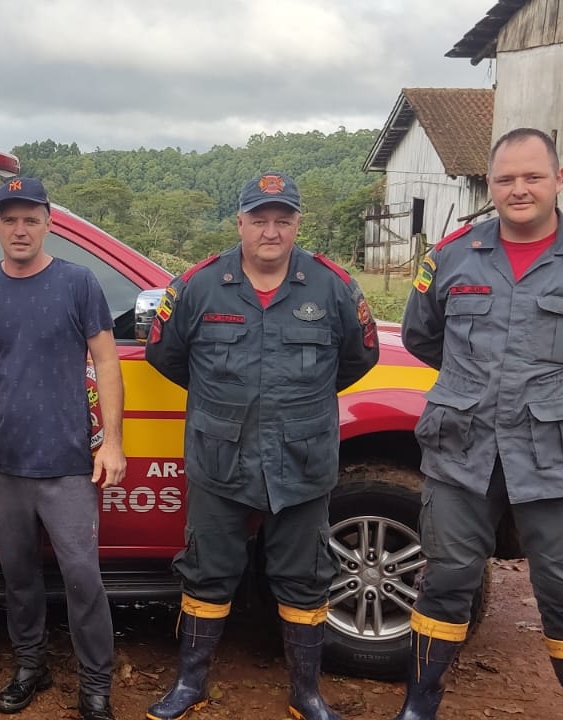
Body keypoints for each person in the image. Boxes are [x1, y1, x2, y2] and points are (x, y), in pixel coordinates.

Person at [393, 128, 563, 720]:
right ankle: (419, 705)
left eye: (533, 176)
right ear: (491, 184)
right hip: (463, 450)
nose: (519, 189)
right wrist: (478, 384)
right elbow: (423, 335)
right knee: (446, 582)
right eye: (506, 178)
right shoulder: (453, 255)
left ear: (558, 180)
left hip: (558, 456)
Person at [144, 172, 379, 720]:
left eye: (283, 219)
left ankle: (306, 694)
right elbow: (166, 355)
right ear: (241, 223)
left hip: (301, 459)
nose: (270, 231)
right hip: (219, 456)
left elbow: (358, 358)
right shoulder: (199, 286)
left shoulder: (332, 286)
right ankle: (191, 683)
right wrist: (223, 400)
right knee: (207, 569)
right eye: (259, 219)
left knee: (305, 576)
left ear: (297, 223)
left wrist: (295, 404)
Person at [0, 177, 127, 720]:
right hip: (4, 460)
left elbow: (108, 362)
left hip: (69, 461)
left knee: (82, 577)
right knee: (19, 574)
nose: (20, 229)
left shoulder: (78, 283)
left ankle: (96, 681)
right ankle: (31, 664)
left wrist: (112, 442)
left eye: (31, 218)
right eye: (10, 219)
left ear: (48, 221)